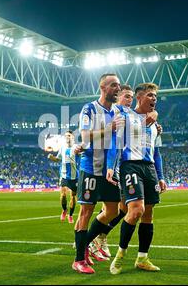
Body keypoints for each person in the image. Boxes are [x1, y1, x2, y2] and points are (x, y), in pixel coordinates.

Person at [92, 85, 163, 258]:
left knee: (122, 208)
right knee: (111, 208)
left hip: (122, 165)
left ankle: (99, 236)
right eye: (126, 97)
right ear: (116, 99)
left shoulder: (134, 117)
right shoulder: (112, 114)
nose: (129, 101)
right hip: (106, 164)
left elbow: (154, 149)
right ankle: (89, 241)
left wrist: (153, 120)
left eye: (131, 98)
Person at [107, 83, 167, 275]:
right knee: (136, 211)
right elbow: (114, 142)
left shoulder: (156, 126)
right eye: (150, 95)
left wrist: (161, 177)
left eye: (155, 96)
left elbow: (157, 153)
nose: (154, 99)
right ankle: (120, 255)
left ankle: (142, 258)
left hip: (149, 168)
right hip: (130, 165)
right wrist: (111, 167)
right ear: (139, 97)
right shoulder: (125, 116)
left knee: (148, 214)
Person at [71, 73, 124, 274]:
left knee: (113, 210)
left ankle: (85, 244)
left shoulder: (118, 111)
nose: (117, 89)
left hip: (107, 170)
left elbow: (115, 144)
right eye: (114, 85)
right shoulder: (90, 108)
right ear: (103, 88)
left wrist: (111, 166)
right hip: (90, 169)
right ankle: (78, 259)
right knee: (86, 212)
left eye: (119, 85)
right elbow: (84, 136)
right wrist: (108, 128)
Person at [47, 130, 79, 224]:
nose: (67, 137)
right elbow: (58, 159)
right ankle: (64, 210)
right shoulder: (62, 148)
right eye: (65, 136)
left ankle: (70, 215)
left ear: (72, 137)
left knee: (73, 196)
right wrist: (52, 158)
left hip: (74, 176)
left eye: (69, 135)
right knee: (63, 195)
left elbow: (82, 156)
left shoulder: (77, 147)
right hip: (64, 175)